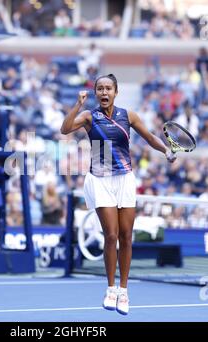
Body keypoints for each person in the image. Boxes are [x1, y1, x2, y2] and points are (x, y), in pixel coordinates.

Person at [60, 74, 176, 315]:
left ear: (116, 91)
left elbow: (150, 137)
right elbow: (65, 129)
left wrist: (166, 151)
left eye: (108, 89)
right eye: (99, 89)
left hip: (125, 179)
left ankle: (124, 291)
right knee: (110, 235)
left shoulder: (128, 115)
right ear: (95, 93)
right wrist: (78, 104)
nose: (104, 93)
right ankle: (110, 288)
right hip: (100, 180)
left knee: (126, 235)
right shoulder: (89, 116)